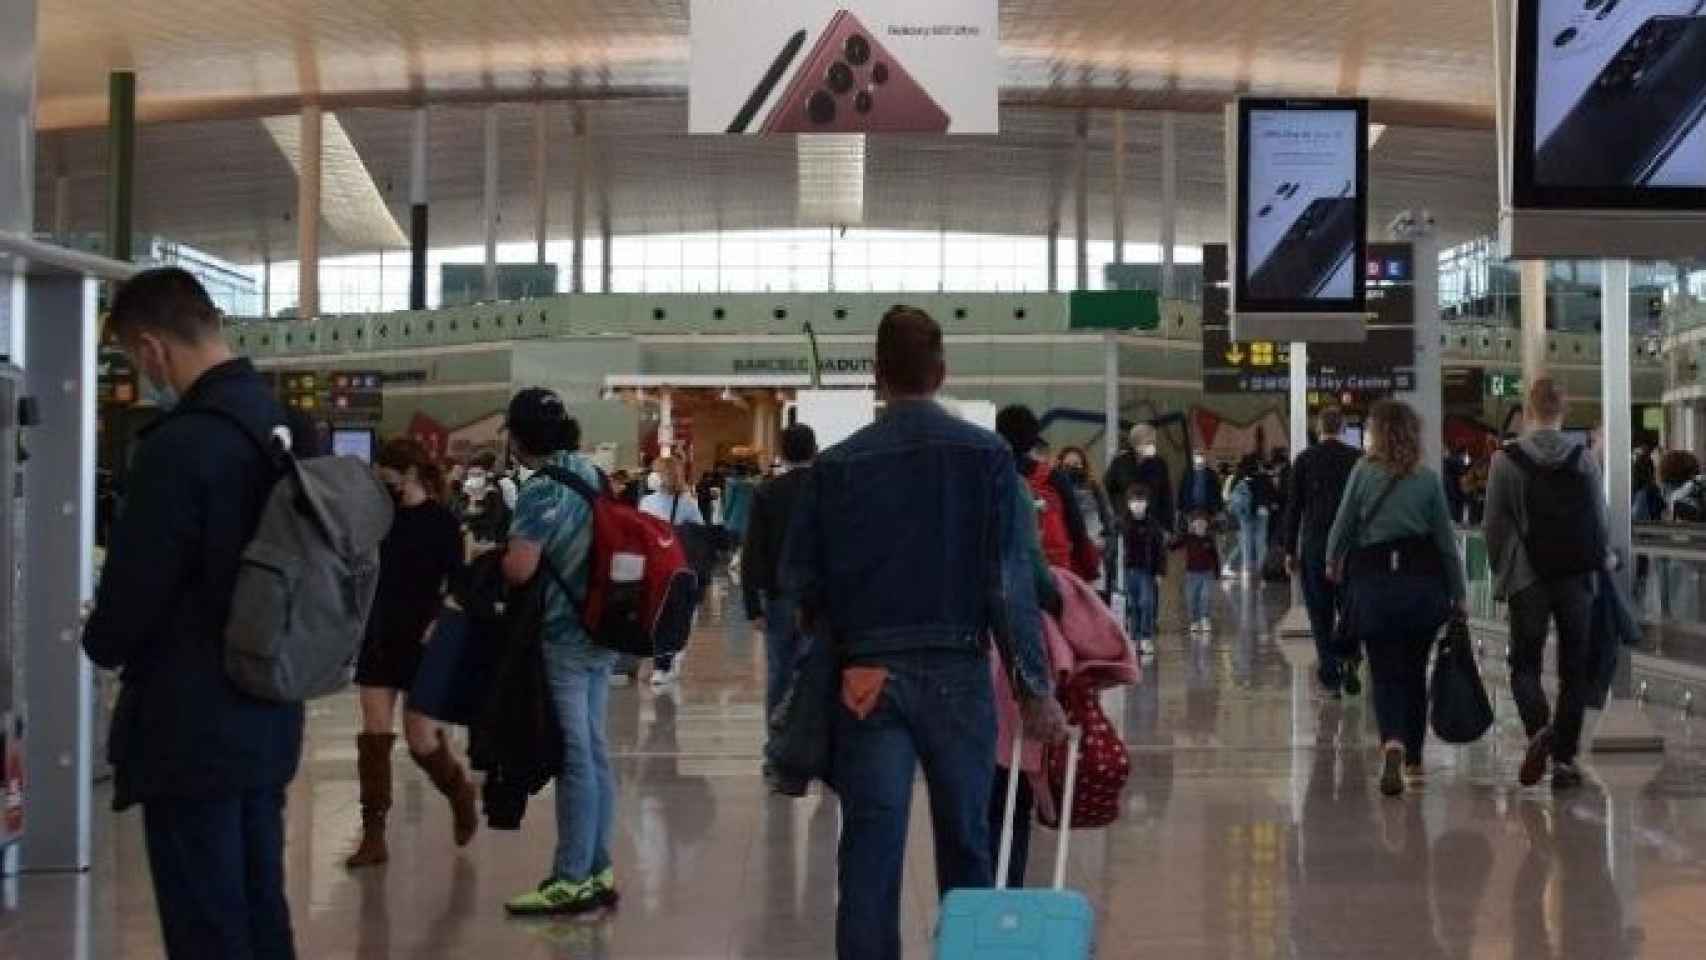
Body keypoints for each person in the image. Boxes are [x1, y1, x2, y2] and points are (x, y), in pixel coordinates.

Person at [781, 305, 1068, 960]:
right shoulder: (988, 457)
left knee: (870, 849)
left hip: (866, 679)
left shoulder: (837, 466)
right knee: (967, 840)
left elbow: (800, 586)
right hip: (958, 674)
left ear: (877, 377)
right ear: (942, 373)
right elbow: (1007, 581)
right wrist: (1032, 685)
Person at [82, 268, 303, 957]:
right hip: (271, 706)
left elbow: (128, 607)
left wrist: (99, 633)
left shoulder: (178, 447)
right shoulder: (290, 429)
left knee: (206, 921)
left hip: (188, 724)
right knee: (261, 905)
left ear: (151, 349)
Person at [500, 389, 620, 916]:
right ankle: (597, 867)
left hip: (563, 635)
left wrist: (499, 557)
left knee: (575, 755)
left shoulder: (541, 490)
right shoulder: (591, 473)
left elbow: (520, 568)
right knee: (594, 751)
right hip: (604, 628)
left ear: (519, 436)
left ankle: (571, 877)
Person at [346, 438, 475, 869]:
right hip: (378, 635)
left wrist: (440, 620)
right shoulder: (375, 519)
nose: (382, 481)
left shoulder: (442, 523)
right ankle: (373, 833)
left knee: (421, 739)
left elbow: (459, 583)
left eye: (388, 473)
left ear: (411, 474)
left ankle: (459, 791)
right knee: (374, 737)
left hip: (422, 640)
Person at [1327, 400, 1465, 798]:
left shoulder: (1363, 471)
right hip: (1421, 587)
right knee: (1415, 672)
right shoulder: (1426, 479)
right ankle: (1416, 761)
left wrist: (1331, 561)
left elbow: (1343, 523)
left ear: (1377, 432)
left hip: (1374, 587)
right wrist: (1457, 593)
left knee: (1385, 672)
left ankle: (1392, 743)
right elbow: (1445, 542)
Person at [1484, 378, 1609, 792]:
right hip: (1575, 576)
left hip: (1527, 578)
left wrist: (1503, 575)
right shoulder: (1583, 458)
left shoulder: (1506, 460)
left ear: (1529, 410)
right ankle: (1565, 760)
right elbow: (1599, 517)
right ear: (1564, 410)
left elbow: (1494, 525)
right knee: (1574, 671)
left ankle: (1540, 729)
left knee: (1524, 664)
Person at [1283, 406, 1364, 699]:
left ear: (1319, 429)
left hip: (1315, 545)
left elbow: (1294, 508)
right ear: (1343, 428)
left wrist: (1289, 549)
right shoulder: (1358, 460)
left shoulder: (1305, 461)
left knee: (1320, 612)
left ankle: (1330, 677)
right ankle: (1351, 658)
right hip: (1351, 548)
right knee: (1350, 608)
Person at [741, 424, 818, 718]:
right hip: (819, 598)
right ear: (815, 449)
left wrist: (752, 607)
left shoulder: (767, 492)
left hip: (779, 595)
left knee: (780, 671)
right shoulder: (827, 488)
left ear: (782, 454)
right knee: (815, 671)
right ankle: (811, 736)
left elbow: (753, 550)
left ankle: (777, 738)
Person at [996, 405, 1094, 579]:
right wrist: (1089, 569)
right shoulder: (1054, 477)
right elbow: (1077, 527)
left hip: (1003, 570)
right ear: (1033, 440)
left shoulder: (990, 475)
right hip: (1053, 570)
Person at [639, 455, 706, 690]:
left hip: (668, 568)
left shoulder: (680, 502)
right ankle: (664, 661)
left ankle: (665, 660)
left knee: (670, 615)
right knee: (662, 615)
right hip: (667, 567)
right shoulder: (654, 502)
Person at [1056, 445, 1115, 589]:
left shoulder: (1094, 486)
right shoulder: (1056, 488)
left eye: (1076, 464)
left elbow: (1107, 517)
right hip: (1066, 552)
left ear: (1083, 465)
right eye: (1067, 465)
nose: (1072, 469)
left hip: (1092, 550)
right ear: (1060, 465)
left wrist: (1107, 544)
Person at [1122, 484, 1168, 652]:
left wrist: (1160, 571)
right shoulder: (1122, 523)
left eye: (1141, 500)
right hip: (1127, 570)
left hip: (1146, 571)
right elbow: (1117, 548)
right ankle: (1133, 637)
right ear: (1128, 503)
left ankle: (1146, 636)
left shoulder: (1153, 525)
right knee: (1132, 604)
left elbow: (1160, 550)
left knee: (1147, 603)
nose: (1137, 504)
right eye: (1134, 500)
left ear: (1147, 503)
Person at [1106, 422, 1174, 533]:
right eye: (1148, 442)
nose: (1152, 445)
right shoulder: (1120, 462)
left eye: (1153, 442)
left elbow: (1166, 495)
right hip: (1127, 522)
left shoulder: (1159, 464)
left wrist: (1168, 527)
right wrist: (1119, 510)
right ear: (1135, 443)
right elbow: (1110, 488)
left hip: (1153, 521)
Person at [1172, 511, 1222, 633]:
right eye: (1197, 523)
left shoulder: (1209, 539)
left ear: (1206, 525)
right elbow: (1174, 545)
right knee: (1192, 598)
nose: (1200, 525)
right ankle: (1194, 620)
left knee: (1206, 596)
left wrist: (1217, 571)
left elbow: (1215, 556)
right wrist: (1178, 535)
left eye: (1202, 523)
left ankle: (1205, 618)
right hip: (1191, 574)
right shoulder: (1188, 538)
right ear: (1192, 525)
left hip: (1207, 573)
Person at [1229, 454, 1276, 580]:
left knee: (1247, 541)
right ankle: (1260, 569)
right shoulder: (1264, 477)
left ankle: (1248, 568)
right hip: (1262, 513)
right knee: (1260, 541)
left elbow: (1231, 496)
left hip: (1245, 514)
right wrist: (1270, 505)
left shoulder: (1239, 477)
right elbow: (1271, 494)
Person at [1178, 449, 1224, 523]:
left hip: (1208, 510)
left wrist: (1219, 509)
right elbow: (1182, 491)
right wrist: (1180, 509)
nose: (1199, 457)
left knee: (1207, 531)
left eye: (1201, 455)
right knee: (1192, 531)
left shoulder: (1211, 474)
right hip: (1191, 509)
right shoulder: (1187, 474)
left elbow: (1217, 492)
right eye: (1197, 455)